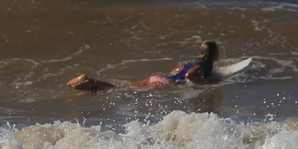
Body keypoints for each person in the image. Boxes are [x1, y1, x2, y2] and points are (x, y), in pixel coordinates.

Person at [67, 40, 219, 93]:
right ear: (214, 54)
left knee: (122, 87)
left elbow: (178, 69)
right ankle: (90, 85)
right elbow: (189, 75)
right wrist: (206, 84)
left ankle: (88, 81)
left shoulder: (194, 60)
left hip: (161, 78)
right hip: (167, 83)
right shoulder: (207, 64)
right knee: (121, 91)